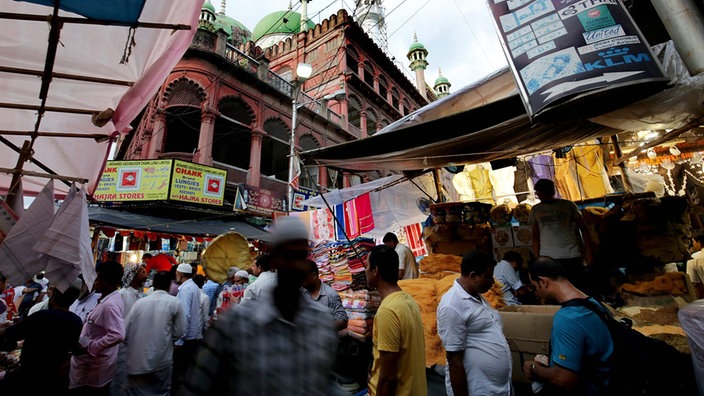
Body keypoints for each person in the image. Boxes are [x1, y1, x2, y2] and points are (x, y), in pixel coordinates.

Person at [181, 217, 339, 395]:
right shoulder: (236, 325)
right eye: (288, 256)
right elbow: (197, 386)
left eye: (300, 256)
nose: (295, 264)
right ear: (275, 260)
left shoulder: (320, 322)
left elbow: (323, 383)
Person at [523, 256, 613, 395]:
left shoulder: (567, 318)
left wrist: (533, 368)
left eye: (535, 287)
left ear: (543, 282)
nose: (537, 293)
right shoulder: (593, 303)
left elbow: (564, 379)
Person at [437, 251, 512, 396]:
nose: (492, 282)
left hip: (498, 388)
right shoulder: (452, 305)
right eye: (488, 277)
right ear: (473, 276)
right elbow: (454, 360)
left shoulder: (476, 296)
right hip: (479, 388)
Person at [366, 244, 426, 396]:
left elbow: (388, 379)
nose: (365, 270)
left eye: (367, 266)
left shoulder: (388, 311)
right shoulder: (407, 300)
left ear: (375, 270)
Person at [0, 281, 82, 392]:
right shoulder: (76, 321)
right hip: (54, 377)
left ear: (53, 296)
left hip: (30, 374)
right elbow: (73, 346)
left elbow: (12, 333)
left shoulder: (42, 316)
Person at [124, 271, 185, 396]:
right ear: (169, 285)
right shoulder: (175, 303)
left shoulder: (139, 303)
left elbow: (125, 331)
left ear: (153, 285)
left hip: (137, 361)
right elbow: (179, 332)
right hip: (161, 359)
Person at [69, 261, 126, 395]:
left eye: (97, 279)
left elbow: (118, 334)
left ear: (106, 282)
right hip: (90, 363)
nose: (93, 282)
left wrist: (92, 347)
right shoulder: (104, 299)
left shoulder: (110, 305)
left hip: (94, 366)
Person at [530, 178, 593, 292]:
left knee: (577, 288)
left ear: (551, 192)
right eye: (538, 194)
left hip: (571, 255)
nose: (539, 196)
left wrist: (588, 253)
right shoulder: (536, 209)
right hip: (548, 257)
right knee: (554, 291)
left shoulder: (568, 206)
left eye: (541, 193)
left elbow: (584, 229)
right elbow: (535, 235)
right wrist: (537, 257)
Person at [112, 262, 147, 395]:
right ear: (133, 275)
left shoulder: (139, 295)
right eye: (142, 272)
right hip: (122, 346)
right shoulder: (123, 295)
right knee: (120, 377)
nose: (146, 275)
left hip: (136, 344)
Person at [172, 263, 203, 393]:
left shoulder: (186, 289)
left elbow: (185, 315)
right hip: (192, 336)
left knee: (179, 373)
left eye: (177, 273)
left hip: (186, 339)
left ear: (181, 274)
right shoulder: (192, 287)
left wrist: (179, 340)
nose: (175, 276)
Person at [303, 259, 348, 331]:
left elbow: (343, 321)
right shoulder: (304, 293)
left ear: (314, 275)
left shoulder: (330, 295)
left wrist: (322, 331)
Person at [686, 233, 704, 299]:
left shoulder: (693, 258)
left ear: (699, 242)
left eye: (693, 241)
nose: (693, 244)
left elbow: (695, 284)